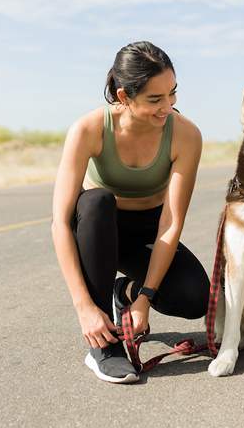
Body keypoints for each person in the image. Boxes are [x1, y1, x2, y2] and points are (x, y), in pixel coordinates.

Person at [51, 41, 209, 383]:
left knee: (195, 298)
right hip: (97, 229)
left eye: (173, 94)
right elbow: (60, 224)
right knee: (96, 201)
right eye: (155, 99)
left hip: (148, 229)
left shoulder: (186, 135)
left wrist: (145, 297)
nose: (167, 106)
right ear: (124, 96)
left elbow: (171, 222)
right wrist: (84, 308)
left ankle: (124, 293)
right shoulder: (88, 130)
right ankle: (103, 347)